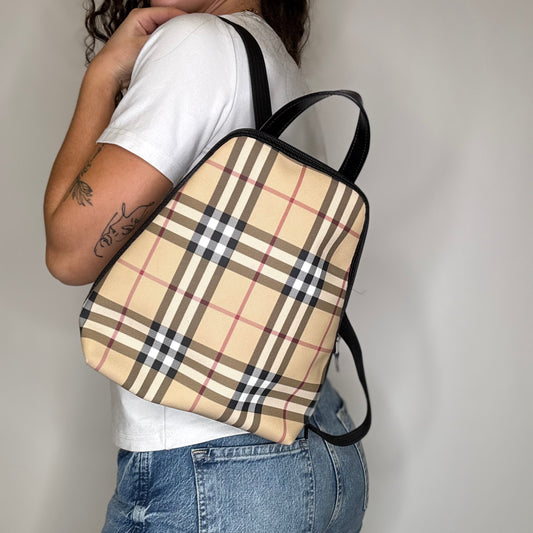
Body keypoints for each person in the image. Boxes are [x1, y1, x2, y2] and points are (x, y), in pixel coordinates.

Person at [43, 1, 369, 531]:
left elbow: (68, 251)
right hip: (320, 447)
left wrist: (101, 77)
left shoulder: (196, 44)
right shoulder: (275, 62)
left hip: (215, 469)